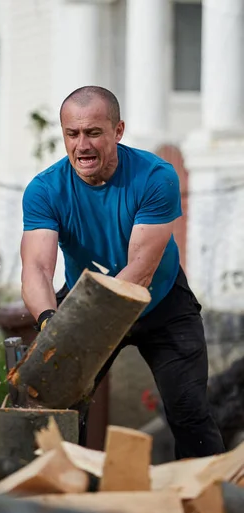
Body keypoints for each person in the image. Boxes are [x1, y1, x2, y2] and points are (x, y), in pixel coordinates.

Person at [20, 85, 225, 459]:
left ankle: (214, 504)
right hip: (86, 299)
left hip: (159, 302)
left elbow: (140, 271)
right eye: (72, 134)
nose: (82, 145)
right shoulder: (45, 190)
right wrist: (52, 324)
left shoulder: (154, 177)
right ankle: (64, 500)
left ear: (118, 131)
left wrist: (79, 328)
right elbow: (36, 266)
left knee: (190, 413)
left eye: (94, 132)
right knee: (56, 411)